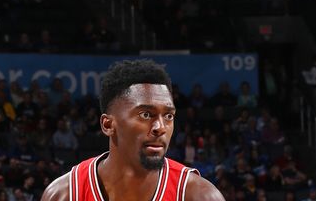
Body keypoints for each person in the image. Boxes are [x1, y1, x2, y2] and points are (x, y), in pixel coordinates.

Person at [41, 59, 224, 200]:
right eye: (146, 115)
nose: (160, 127)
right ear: (107, 125)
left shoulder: (198, 195)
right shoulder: (65, 194)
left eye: (168, 116)